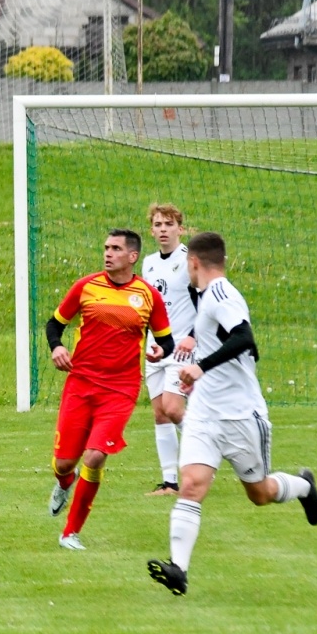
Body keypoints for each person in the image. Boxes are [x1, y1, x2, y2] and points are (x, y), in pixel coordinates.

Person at [147, 231, 317, 597]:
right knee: (192, 484)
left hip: (241, 415)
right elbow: (220, 331)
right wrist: (194, 341)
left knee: (259, 493)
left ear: (193, 263)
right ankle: (179, 568)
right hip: (205, 414)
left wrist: (201, 368)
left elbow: (245, 339)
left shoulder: (223, 293)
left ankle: (304, 486)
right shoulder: (208, 296)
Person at [45, 229, 174, 550]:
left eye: (115, 248)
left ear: (132, 257)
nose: (108, 253)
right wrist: (56, 347)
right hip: (81, 384)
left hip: (121, 389)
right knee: (64, 463)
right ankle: (64, 483)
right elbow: (55, 323)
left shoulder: (148, 296)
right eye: (106, 247)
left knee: (96, 455)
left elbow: (166, 340)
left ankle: (70, 533)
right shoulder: (86, 286)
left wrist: (160, 351)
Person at [141, 203, 197, 495]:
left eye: (169, 224)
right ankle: (169, 482)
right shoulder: (149, 263)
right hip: (155, 349)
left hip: (182, 350)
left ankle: (205, 449)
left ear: (180, 228)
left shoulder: (190, 261)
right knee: (160, 415)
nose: (163, 229)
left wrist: (193, 336)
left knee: (174, 410)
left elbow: (207, 304)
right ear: (151, 230)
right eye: (158, 224)